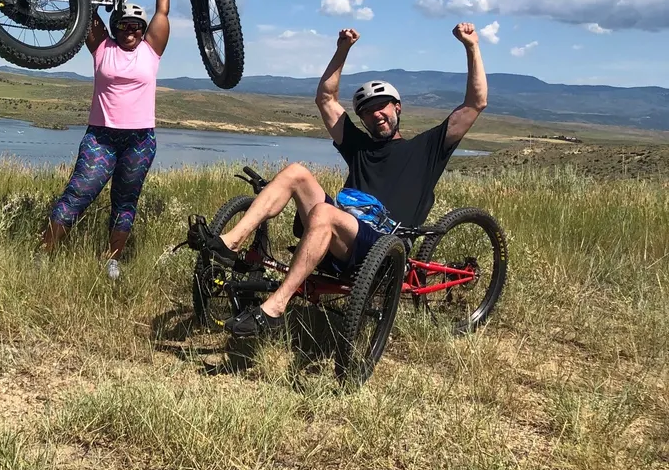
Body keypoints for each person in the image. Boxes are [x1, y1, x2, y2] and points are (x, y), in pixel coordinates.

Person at [202, 22, 487, 336]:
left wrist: (471, 46)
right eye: (368, 111)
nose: (377, 115)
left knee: (325, 212)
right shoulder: (359, 147)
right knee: (296, 171)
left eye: (382, 107)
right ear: (363, 120)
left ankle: (275, 307)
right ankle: (231, 242)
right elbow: (325, 99)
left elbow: (475, 103)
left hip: (384, 244)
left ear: (398, 108)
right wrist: (342, 49)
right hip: (345, 234)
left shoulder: (427, 149)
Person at [40, 0, 172, 279]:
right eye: (124, 25)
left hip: (140, 140)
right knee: (78, 193)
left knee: (126, 201)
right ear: (115, 27)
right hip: (101, 138)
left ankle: (111, 259)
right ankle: (44, 254)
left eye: (136, 26)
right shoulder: (102, 46)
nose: (130, 31)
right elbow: (86, 7)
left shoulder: (151, 50)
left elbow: (162, 14)